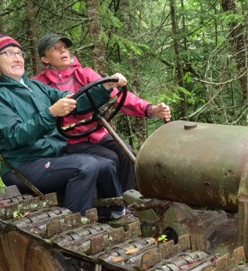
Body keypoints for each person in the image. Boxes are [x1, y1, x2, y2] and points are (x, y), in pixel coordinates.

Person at [0, 34, 124, 216]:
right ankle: (74, 226)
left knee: (106, 164)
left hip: (51, 156)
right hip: (23, 165)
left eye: (19, 53)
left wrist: (106, 87)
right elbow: (16, 136)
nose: (17, 58)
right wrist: (51, 113)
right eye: (8, 54)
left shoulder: (36, 87)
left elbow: (76, 102)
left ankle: (116, 215)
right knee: (85, 166)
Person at [33, 32, 171, 193]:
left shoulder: (85, 74)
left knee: (126, 153)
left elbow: (117, 97)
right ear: (45, 58)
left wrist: (150, 109)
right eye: (55, 48)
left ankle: (129, 200)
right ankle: (111, 206)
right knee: (109, 158)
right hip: (70, 141)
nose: (62, 51)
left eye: (64, 47)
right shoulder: (39, 84)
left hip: (97, 133)